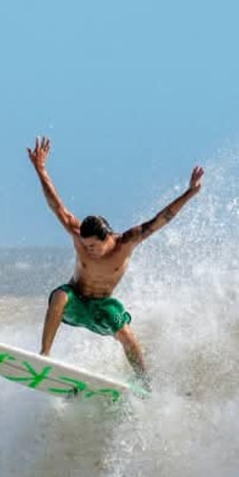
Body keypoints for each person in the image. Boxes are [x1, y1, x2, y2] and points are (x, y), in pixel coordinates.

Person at [27, 136, 204, 388]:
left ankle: (145, 383)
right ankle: (44, 356)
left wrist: (189, 193)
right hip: (77, 303)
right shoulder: (78, 236)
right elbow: (57, 207)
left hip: (102, 308)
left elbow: (161, 218)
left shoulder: (125, 243)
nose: (89, 251)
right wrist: (41, 170)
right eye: (85, 246)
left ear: (106, 238)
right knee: (59, 296)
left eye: (93, 246)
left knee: (127, 335)